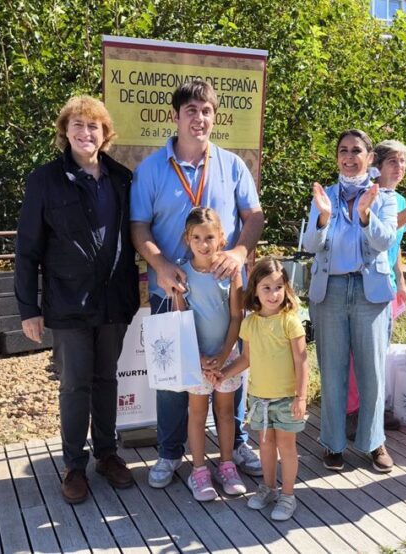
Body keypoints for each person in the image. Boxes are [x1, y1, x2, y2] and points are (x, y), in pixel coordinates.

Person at [131, 79, 265, 488]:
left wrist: (240, 253)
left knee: (228, 369)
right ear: (176, 117)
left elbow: (253, 216)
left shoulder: (232, 164)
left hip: (225, 292)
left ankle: (236, 446)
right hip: (172, 291)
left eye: (206, 111)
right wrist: (161, 264)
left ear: (215, 116)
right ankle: (171, 454)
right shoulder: (152, 168)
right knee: (176, 379)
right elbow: (138, 226)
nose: (199, 118)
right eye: (191, 110)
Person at [15, 95, 140, 503]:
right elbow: (28, 248)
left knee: (107, 380)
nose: (86, 133)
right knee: (74, 385)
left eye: (94, 127)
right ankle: (73, 465)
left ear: (105, 135)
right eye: (78, 125)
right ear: (64, 131)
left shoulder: (122, 178)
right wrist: (28, 308)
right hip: (68, 301)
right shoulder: (45, 180)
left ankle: (107, 454)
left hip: (113, 301)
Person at [303, 129, 398, 473]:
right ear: (336, 157)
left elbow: (386, 240)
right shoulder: (323, 195)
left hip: (369, 293)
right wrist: (324, 218)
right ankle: (332, 442)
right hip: (330, 292)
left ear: (369, 158)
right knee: (332, 370)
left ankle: (374, 442)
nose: (349, 156)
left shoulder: (383, 197)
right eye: (343, 150)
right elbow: (310, 244)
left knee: (372, 371)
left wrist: (365, 215)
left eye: (356, 150)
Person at [345, 140, 406, 438]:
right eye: (393, 161)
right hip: (364, 283)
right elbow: (382, 232)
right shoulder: (369, 195)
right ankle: (352, 410)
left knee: (379, 350)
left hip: (385, 283)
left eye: (403, 162)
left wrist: (400, 279)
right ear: (377, 165)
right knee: (357, 351)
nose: (400, 167)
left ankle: (371, 408)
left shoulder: (399, 199)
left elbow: (394, 245)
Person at [215, 257, 308, 521]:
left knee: (286, 447)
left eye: (278, 287)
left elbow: (302, 361)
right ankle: (269, 487)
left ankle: (288, 495)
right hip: (258, 398)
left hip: (287, 398)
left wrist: (301, 397)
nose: (273, 294)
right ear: (254, 289)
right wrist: (222, 374)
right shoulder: (250, 323)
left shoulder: (290, 320)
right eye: (266, 287)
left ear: (286, 289)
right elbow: (246, 359)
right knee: (265, 445)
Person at [173, 207, 247, 501]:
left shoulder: (231, 273)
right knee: (198, 413)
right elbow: (182, 318)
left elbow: (236, 316)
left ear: (221, 239)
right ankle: (200, 470)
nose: (204, 244)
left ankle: (227, 465)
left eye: (210, 237)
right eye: (197, 238)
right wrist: (200, 358)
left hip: (226, 357)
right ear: (187, 239)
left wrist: (224, 354)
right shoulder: (183, 274)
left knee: (226, 413)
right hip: (197, 358)